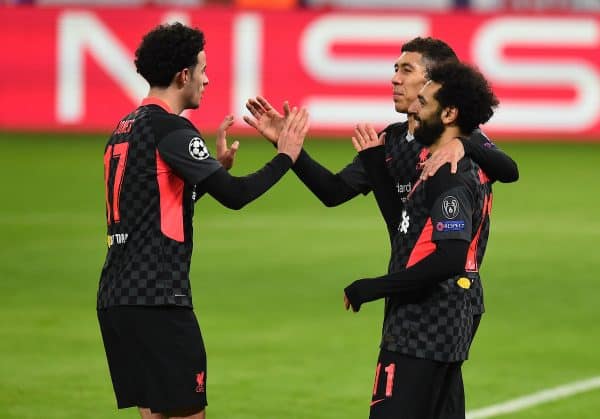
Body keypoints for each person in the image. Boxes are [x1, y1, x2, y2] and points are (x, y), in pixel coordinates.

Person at [244, 36, 517, 349]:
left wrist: (464, 144)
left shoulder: (457, 138)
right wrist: (290, 150)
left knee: (411, 392)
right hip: (407, 284)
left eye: (405, 70)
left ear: (432, 82)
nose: (394, 78)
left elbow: (509, 170)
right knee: (424, 394)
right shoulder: (390, 142)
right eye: (395, 69)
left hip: (449, 294)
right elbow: (333, 192)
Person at [97, 22, 309, 419]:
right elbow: (237, 196)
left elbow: (152, 203)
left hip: (117, 298)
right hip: (160, 298)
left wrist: (209, 176)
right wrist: (286, 156)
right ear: (183, 75)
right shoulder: (172, 129)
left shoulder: (122, 130)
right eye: (202, 69)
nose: (207, 79)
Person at [343, 61, 499, 419]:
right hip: (441, 327)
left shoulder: (449, 177)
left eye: (423, 103)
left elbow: (450, 257)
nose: (413, 107)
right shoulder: (449, 165)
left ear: (449, 113)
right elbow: (405, 228)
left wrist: (373, 287)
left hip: (423, 329)